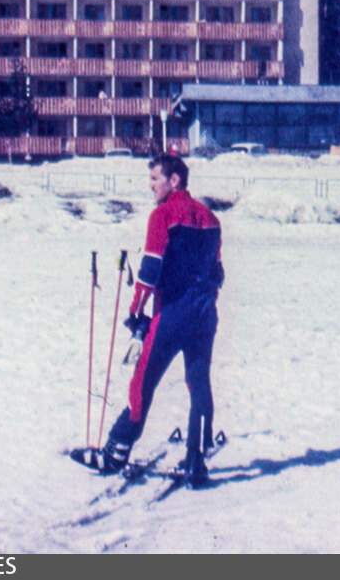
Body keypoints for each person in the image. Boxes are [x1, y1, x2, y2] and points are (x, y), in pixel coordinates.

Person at [73, 154, 222, 486]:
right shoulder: (212, 219)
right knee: (198, 383)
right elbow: (218, 272)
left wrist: (135, 311)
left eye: (156, 179)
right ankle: (197, 459)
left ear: (174, 180)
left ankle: (116, 452)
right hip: (204, 315)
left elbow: (150, 269)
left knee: (141, 383)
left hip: (172, 314)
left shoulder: (162, 215)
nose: (151, 186)